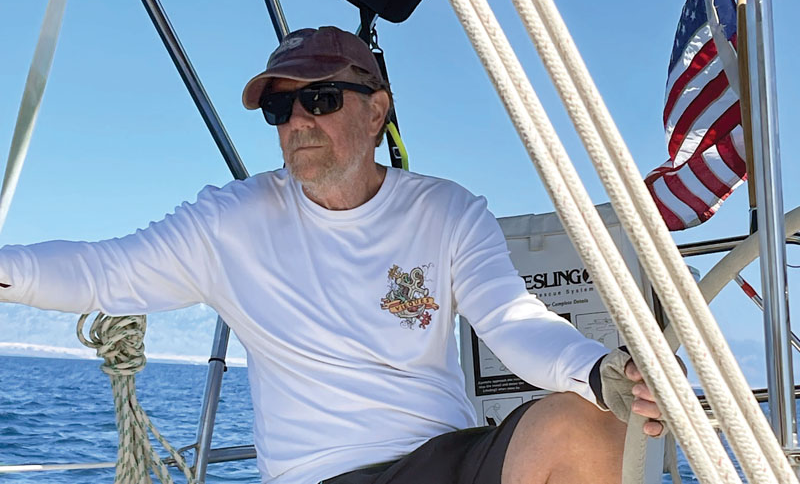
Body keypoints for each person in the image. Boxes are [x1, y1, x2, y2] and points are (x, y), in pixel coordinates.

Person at [0, 26, 665, 484]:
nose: (298, 121)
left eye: (318, 99)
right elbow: (100, 270)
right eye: (282, 107)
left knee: (586, 422)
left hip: (448, 457)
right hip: (326, 472)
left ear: (376, 113)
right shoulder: (230, 223)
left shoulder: (446, 209)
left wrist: (594, 370)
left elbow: (511, 318)